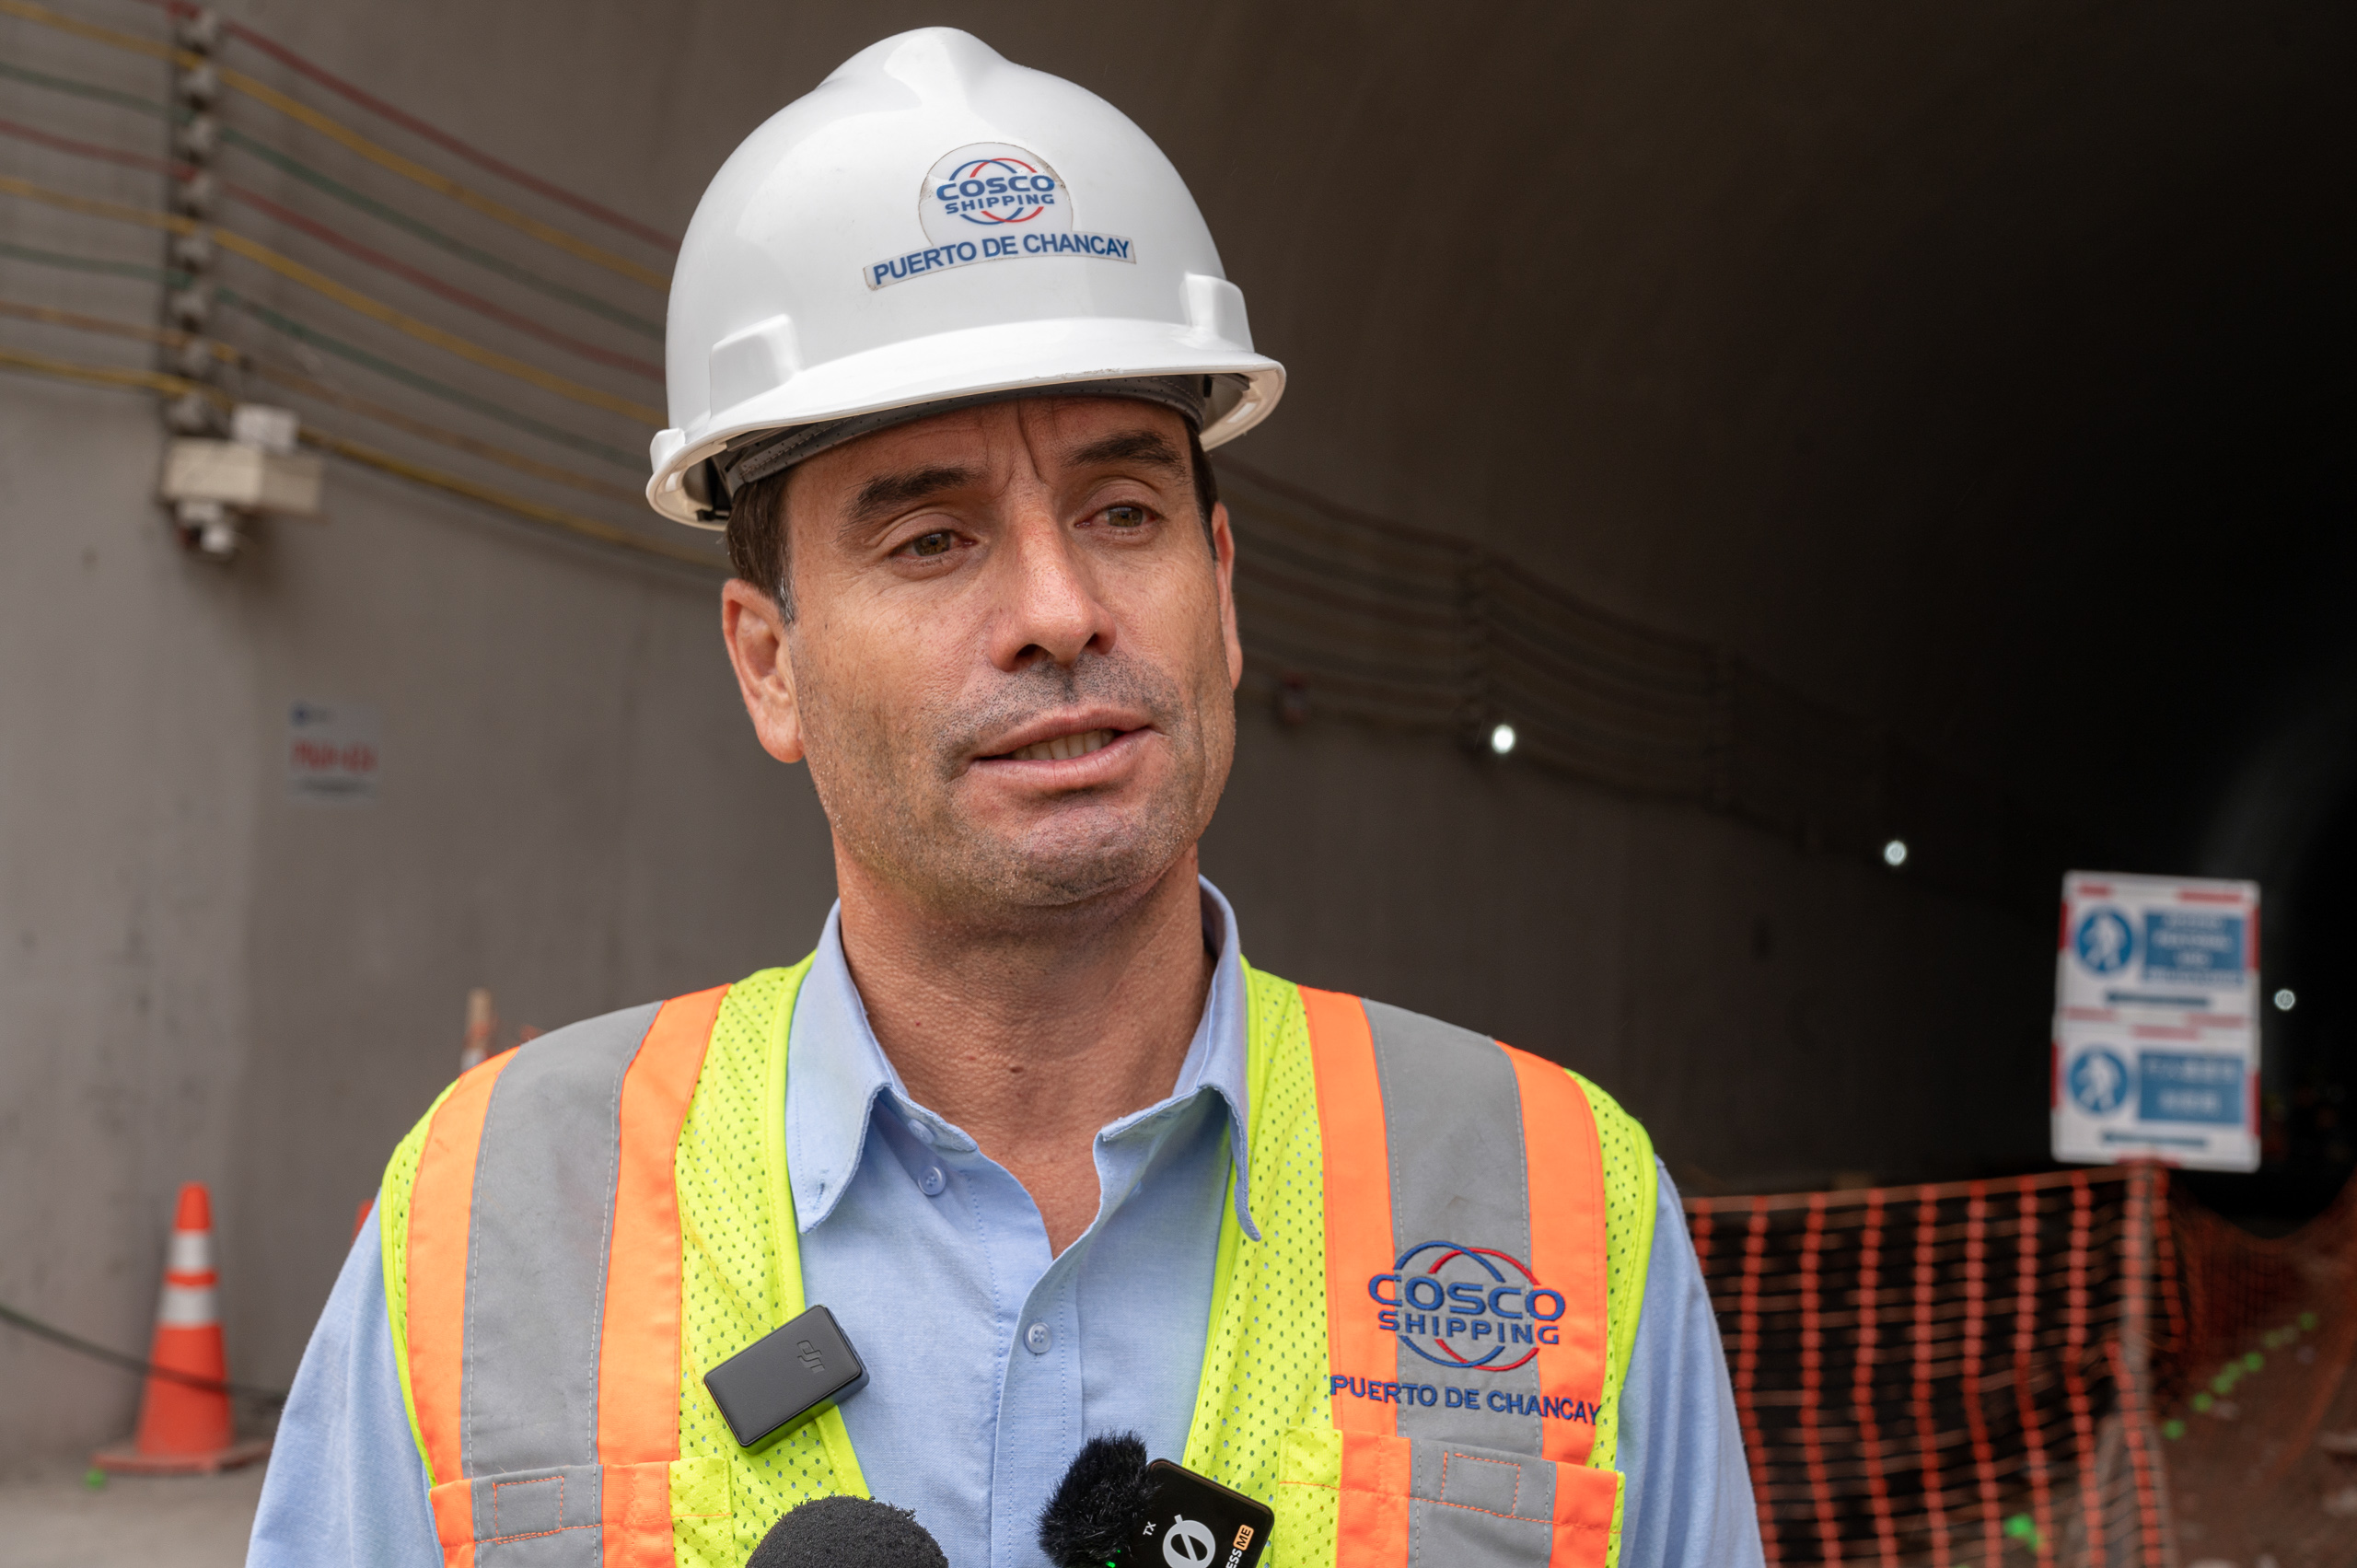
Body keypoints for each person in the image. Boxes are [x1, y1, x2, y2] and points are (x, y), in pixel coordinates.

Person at [249, 28, 1760, 1568]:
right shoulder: (493, 1220)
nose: (1059, 607)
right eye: (930, 541)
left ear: (1223, 593)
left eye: (1123, 511)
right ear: (768, 665)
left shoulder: (1552, 1202)